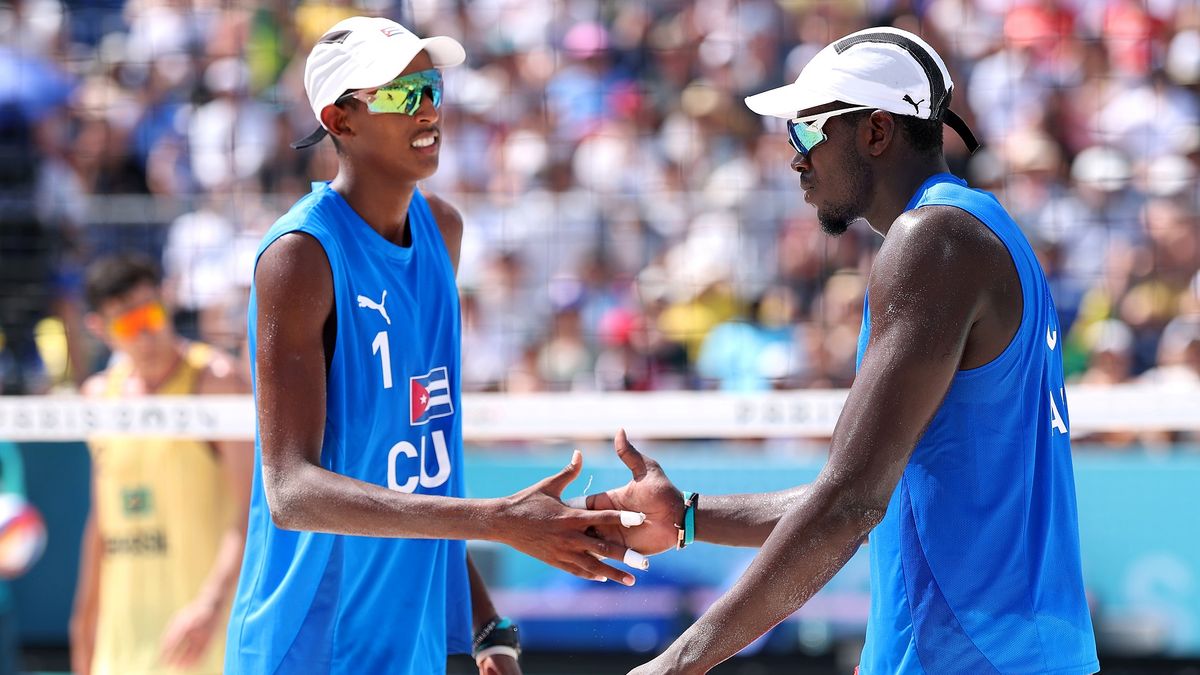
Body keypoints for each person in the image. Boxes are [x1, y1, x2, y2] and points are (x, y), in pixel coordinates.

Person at [583, 27, 1100, 675]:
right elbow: (865, 493)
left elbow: (850, 502)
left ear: (877, 132)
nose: (795, 158)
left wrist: (679, 660)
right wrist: (686, 516)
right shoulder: (979, 231)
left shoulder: (932, 241)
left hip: (968, 658)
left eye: (807, 132)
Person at [223, 17, 644, 675]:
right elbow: (291, 490)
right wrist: (496, 519)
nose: (426, 108)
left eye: (431, 86)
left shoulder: (442, 230)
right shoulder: (299, 255)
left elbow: (421, 465)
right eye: (399, 93)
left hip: (406, 642)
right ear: (341, 119)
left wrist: (486, 625)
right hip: (309, 643)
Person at [69, 254, 254, 675]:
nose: (146, 330)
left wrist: (210, 603)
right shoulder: (99, 397)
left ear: (166, 301)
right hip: (123, 643)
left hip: (201, 636)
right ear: (99, 329)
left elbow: (251, 512)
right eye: (127, 323)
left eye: (150, 311)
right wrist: (84, 622)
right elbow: (104, 520)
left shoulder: (215, 382)